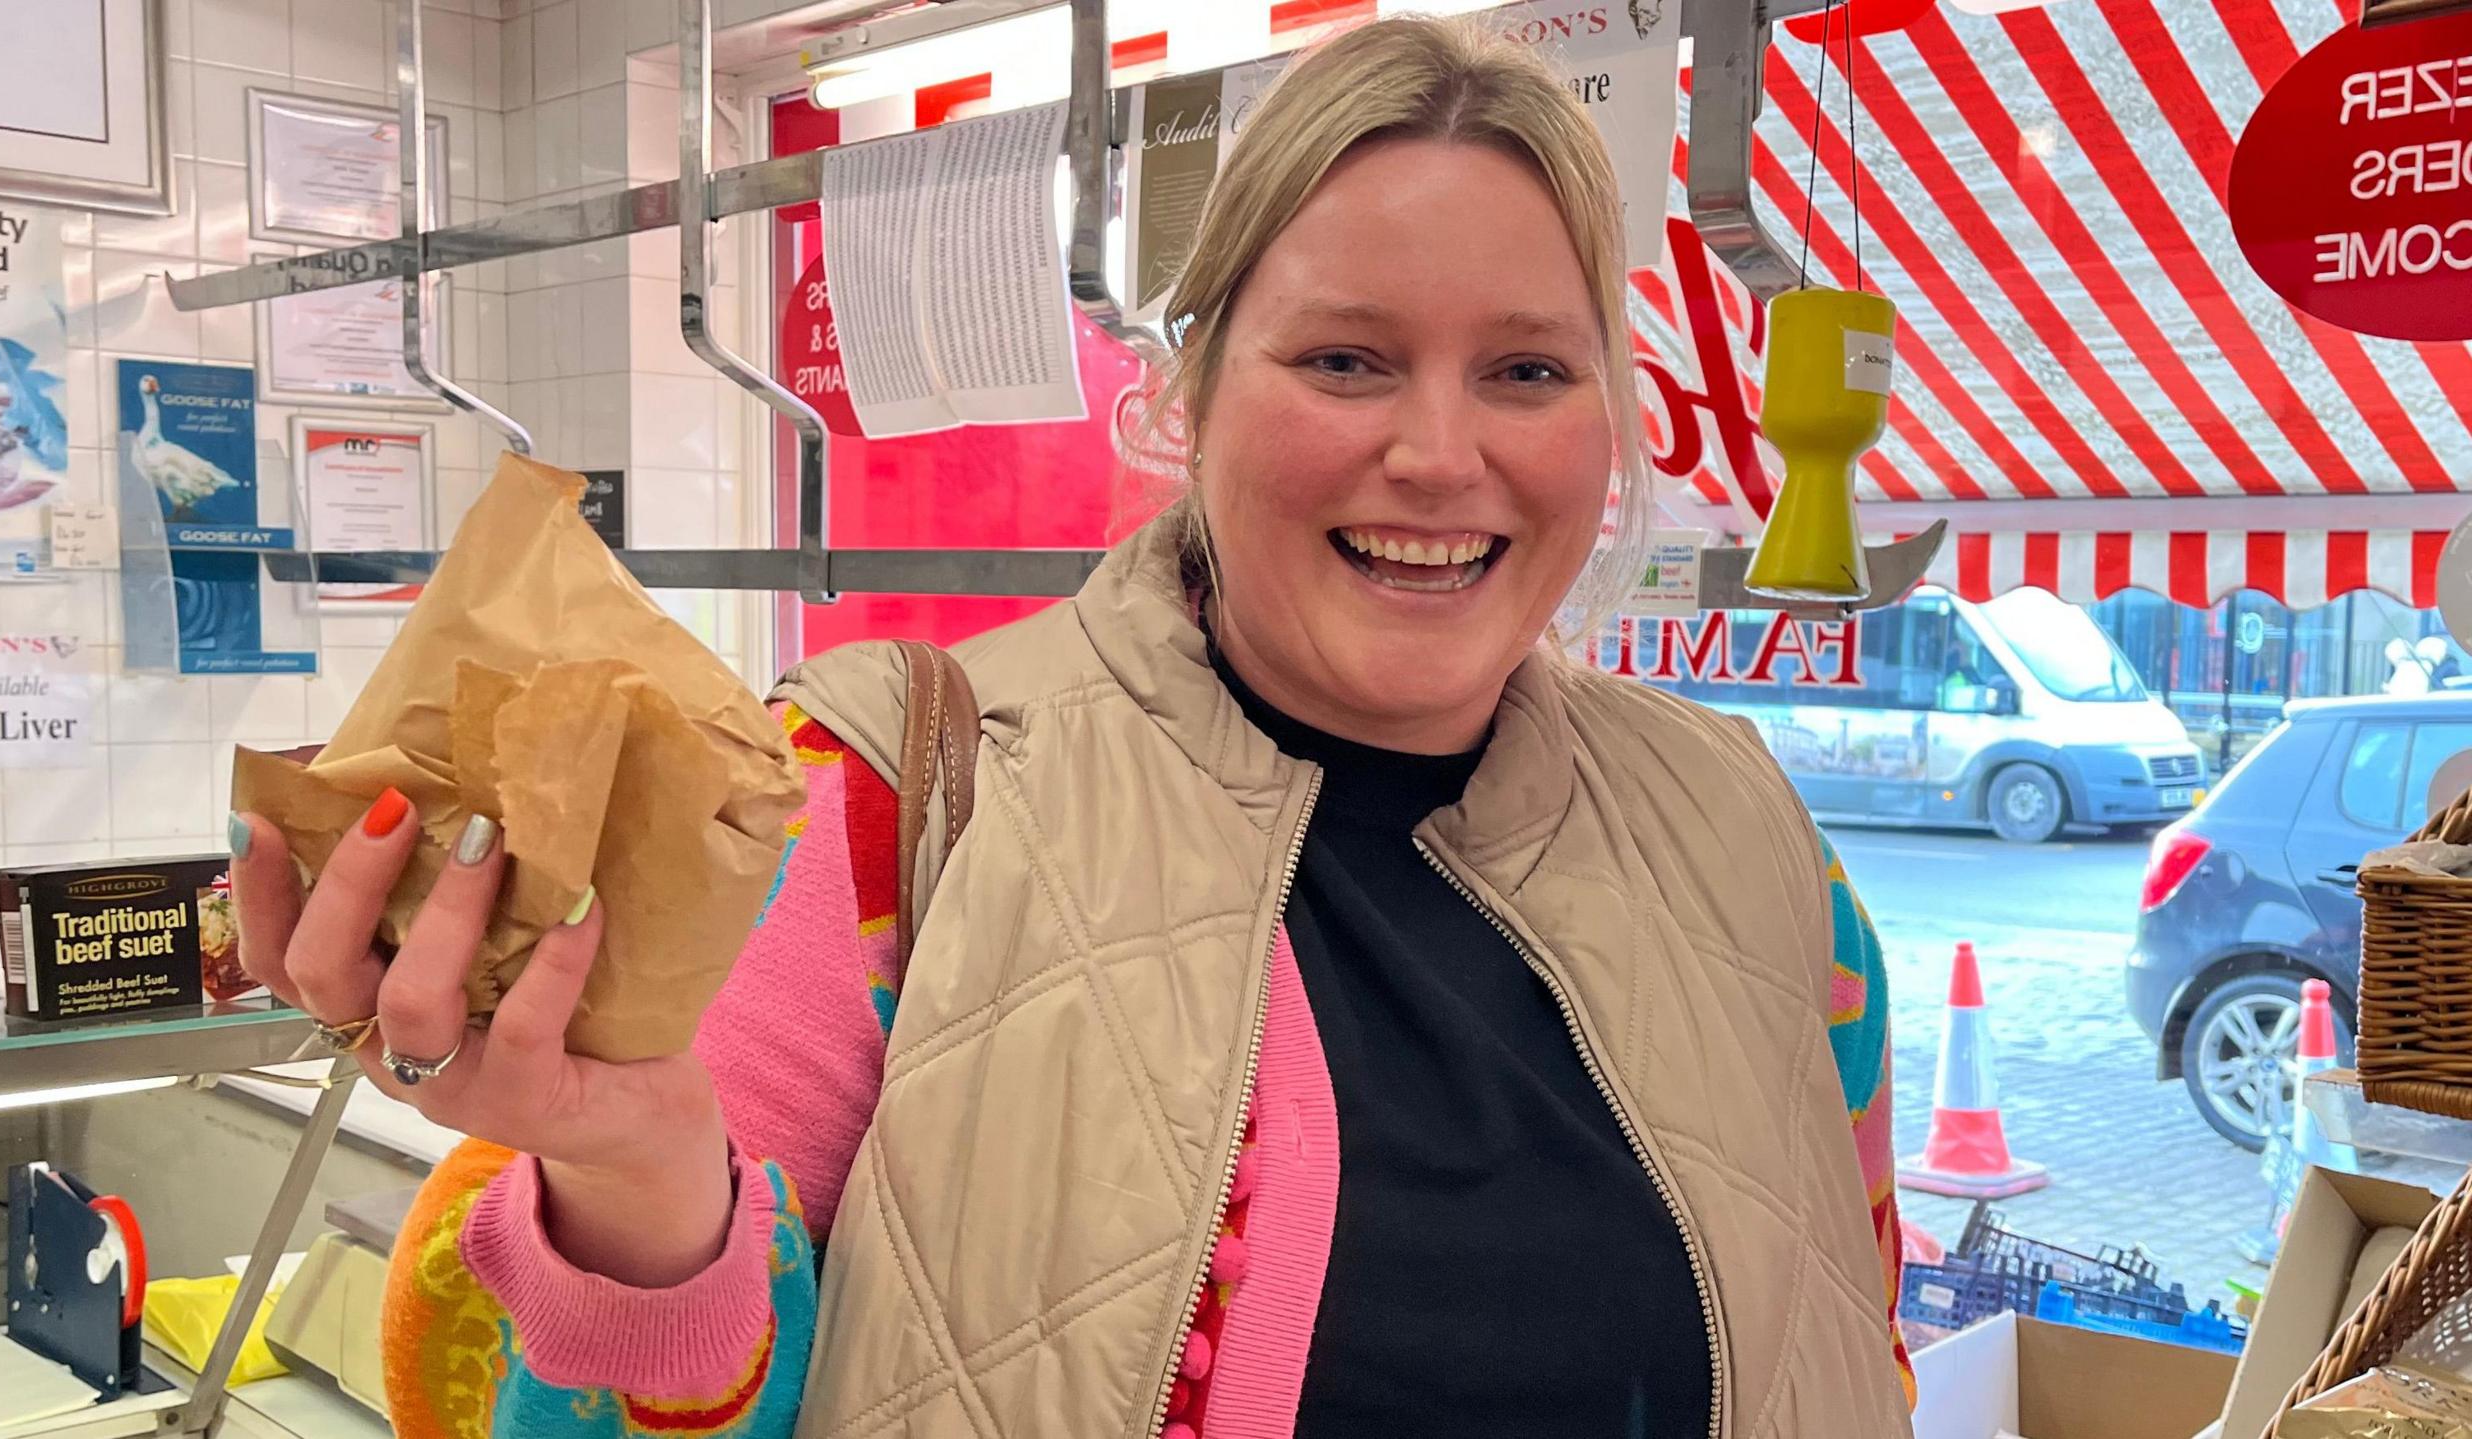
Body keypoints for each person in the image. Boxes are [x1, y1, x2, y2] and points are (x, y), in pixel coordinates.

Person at [228, 17, 1914, 1438]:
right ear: (1191, 391)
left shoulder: (1754, 839)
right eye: (1344, 360)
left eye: (1529, 372)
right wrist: (646, 1194)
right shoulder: (882, 797)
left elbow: (1861, 1331)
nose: (1440, 452)